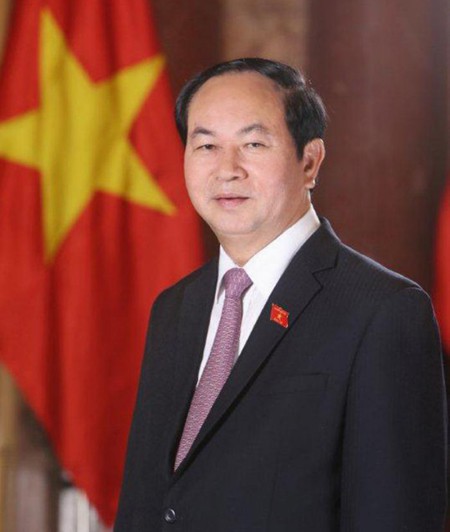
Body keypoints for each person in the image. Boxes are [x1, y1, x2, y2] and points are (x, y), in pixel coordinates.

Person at [115, 58, 447, 531]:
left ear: (310, 161)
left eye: (253, 144)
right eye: (206, 145)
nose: (227, 170)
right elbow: (145, 505)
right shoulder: (175, 308)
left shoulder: (382, 311)